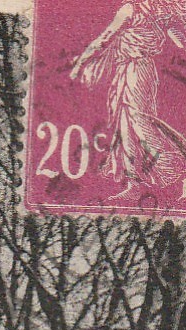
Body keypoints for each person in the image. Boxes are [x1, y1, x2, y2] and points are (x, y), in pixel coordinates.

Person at [70, 1, 186, 198]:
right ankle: (135, 184)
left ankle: (178, 165)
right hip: (134, 69)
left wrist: (80, 62)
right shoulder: (157, 10)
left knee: (139, 123)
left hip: (135, 70)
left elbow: (105, 38)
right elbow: (180, 39)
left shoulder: (130, 10)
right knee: (126, 124)